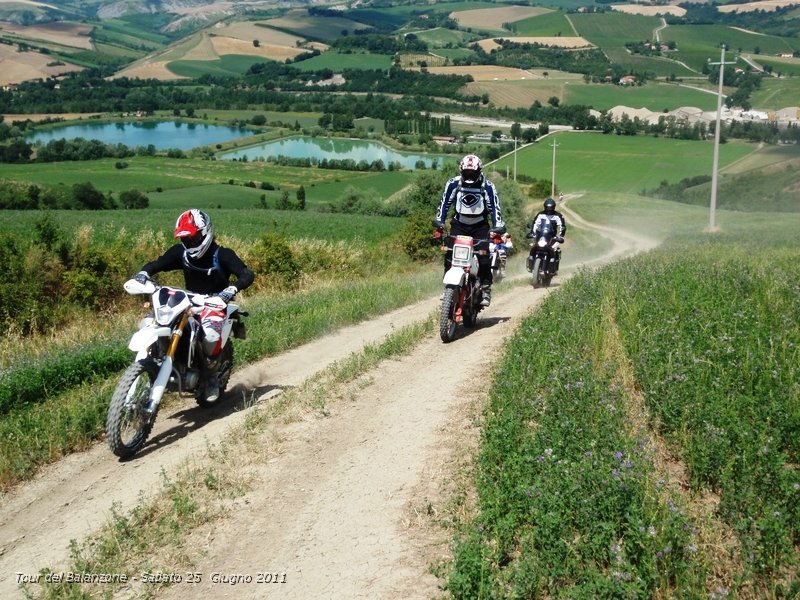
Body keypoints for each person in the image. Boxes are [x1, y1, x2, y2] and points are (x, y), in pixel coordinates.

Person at [133, 209, 255, 402]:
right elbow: (158, 263)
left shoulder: (222, 255)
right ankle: (152, 364)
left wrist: (231, 290)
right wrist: (143, 274)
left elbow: (247, 274)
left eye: (194, 238)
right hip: (188, 301)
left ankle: (211, 377)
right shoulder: (181, 253)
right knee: (150, 321)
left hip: (215, 303)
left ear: (205, 232)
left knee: (211, 335)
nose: (190, 243)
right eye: (186, 239)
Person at [433, 154, 505, 307]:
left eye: (473, 173)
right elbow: (444, 203)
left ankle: (485, 288)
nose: (470, 175)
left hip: (480, 227)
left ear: (479, 171)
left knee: (484, 258)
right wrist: (439, 222)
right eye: (467, 172)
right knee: (449, 256)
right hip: (459, 225)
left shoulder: (487, 186)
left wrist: (498, 226)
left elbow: (495, 208)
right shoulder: (453, 184)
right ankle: (449, 288)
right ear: (461, 170)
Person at [528, 197, 566, 273]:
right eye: (547, 207)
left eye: (551, 207)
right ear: (544, 206)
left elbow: (562, 226)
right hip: (542, 236)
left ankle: (553, 268)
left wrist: (560, 236)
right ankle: (531, 265)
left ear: (553, 207)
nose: (549, 209)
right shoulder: (540, 214)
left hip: (552, 237)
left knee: (555, 249)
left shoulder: (558, 215)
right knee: (533, 247)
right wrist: (532, 232)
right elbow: (535, 223)